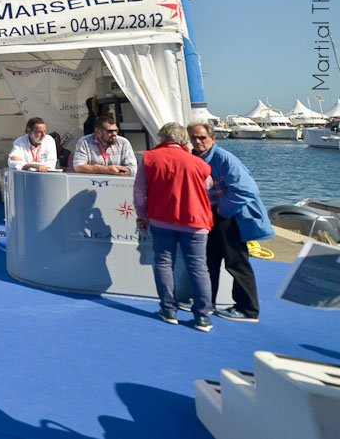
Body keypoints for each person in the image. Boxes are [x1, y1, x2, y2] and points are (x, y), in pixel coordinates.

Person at [188, 122, 274, 322]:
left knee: (236, 263)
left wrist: (222, 211)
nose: (198, 141)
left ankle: (248, 309)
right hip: (209, 216)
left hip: (229, 216)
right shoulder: (193, 158)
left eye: (202, 137)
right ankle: (206, 302)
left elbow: (246, 189)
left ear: (212, 138)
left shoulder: (224, 158)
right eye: (194, 137)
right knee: (209, 261)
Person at [133, 122, 215, 332]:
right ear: (184, 140)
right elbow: (208, 185)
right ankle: (202, 317)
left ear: (161, 138)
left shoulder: (149, 158)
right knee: (198, 268)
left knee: (163, 263)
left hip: (161, 219)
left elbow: (139, 192)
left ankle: (168, 310)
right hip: (195, 221)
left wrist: (141, 214)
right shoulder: (198, 163)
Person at [71, 116, 137, 176]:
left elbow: (133, 169)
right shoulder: (85, 141)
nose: (114, 134)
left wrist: (116, 171)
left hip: (117, 183)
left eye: (116, 130)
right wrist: (106, 170)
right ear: (98, 132)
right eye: (110, 131)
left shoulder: (123, 142)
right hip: (92, 182)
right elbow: (78, 166)